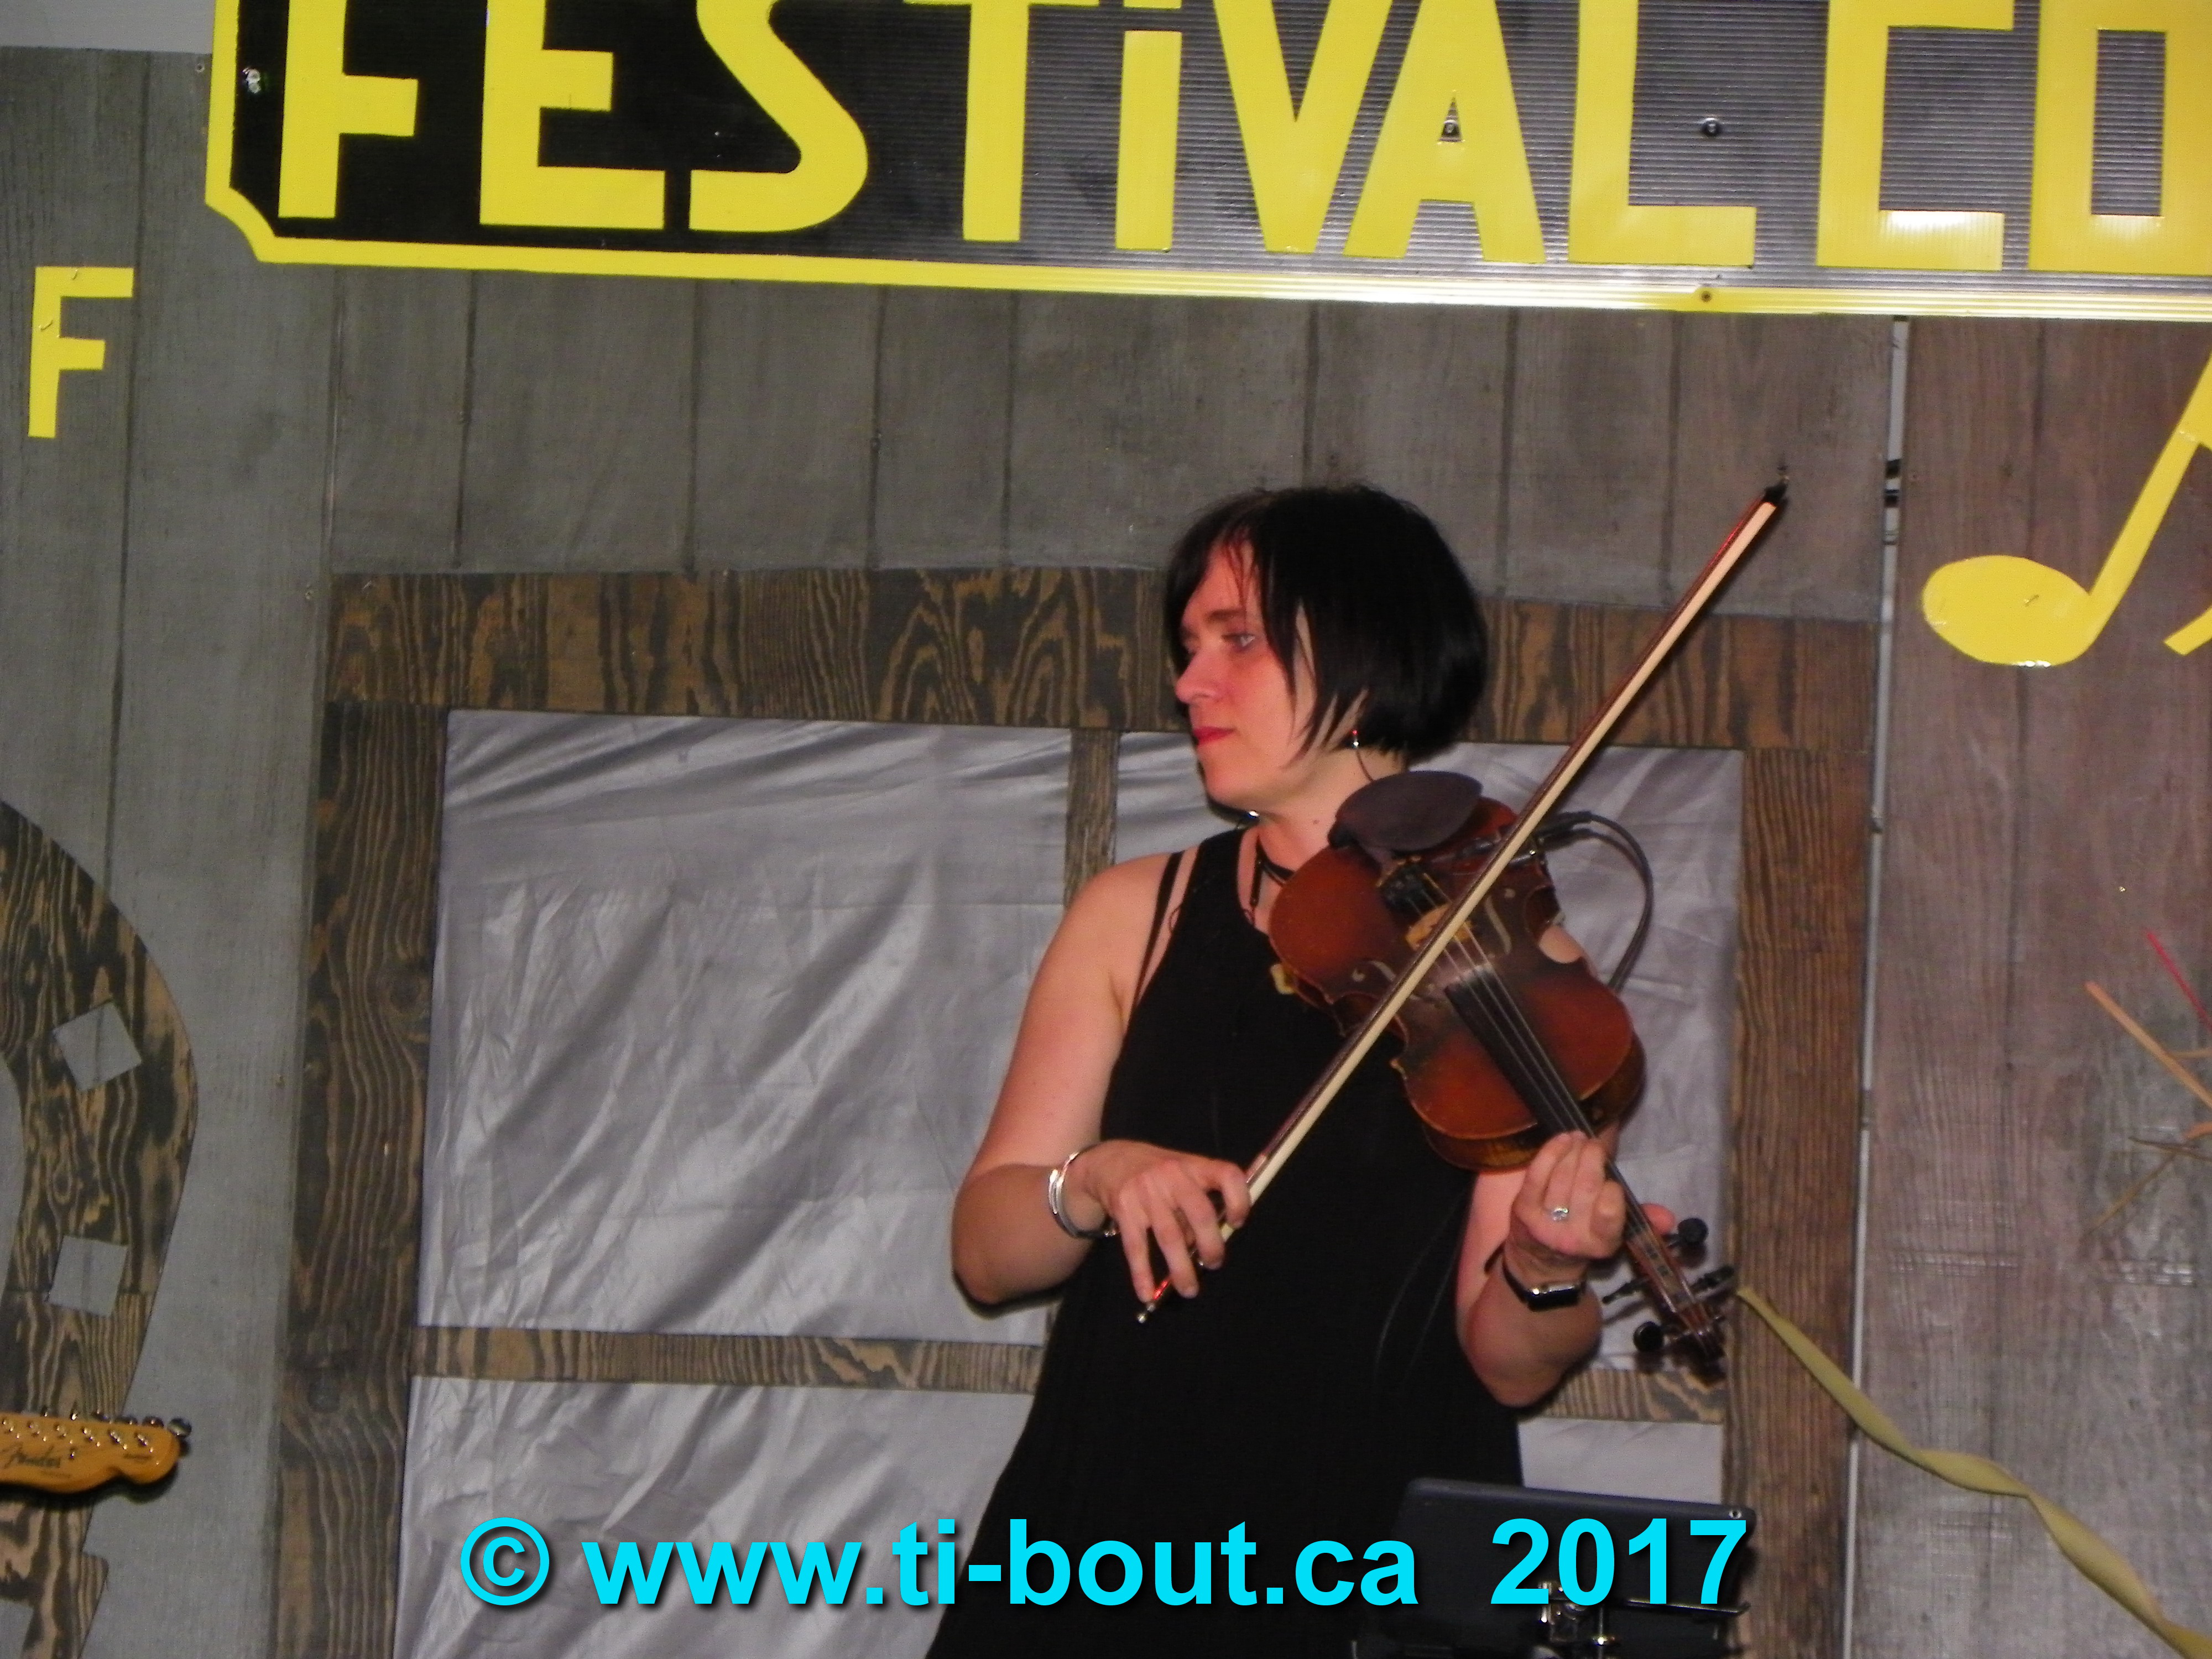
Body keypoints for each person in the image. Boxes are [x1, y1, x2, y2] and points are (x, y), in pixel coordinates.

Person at [927, 486, 1669, 1658]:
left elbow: (1512, 1366)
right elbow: (986, 1251)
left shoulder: (1521, 969)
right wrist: (1097, 1176)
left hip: (1369, 1550)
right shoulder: (1136, 913)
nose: (1189, 683)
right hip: (1115, 1529)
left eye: (1237, 641)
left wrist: (1541, 1268)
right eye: (1188, 647)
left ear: (1366, 658)